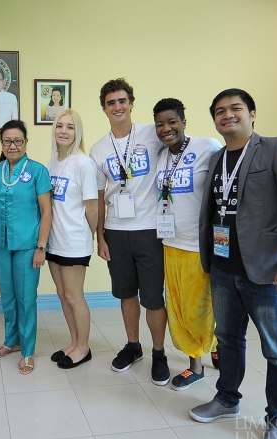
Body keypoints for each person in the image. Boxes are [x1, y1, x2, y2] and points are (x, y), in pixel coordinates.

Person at [189, 89, 277, 439]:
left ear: (252, 114)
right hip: (224, 268)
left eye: (235, 109)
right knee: (228, 340)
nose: (227, 115)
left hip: (267, 273)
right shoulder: (216, 158)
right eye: (219, 111)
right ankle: (227, 398)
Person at [90, 78, 170, 385]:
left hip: (149, 229)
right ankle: (133, 345)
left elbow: (180, 148)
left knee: (153, 297)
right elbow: (98, 198)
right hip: (116, 231)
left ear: (131, 103)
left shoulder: (152, 134)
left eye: (122, 101)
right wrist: (100, 237)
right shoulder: (98, 150)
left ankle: (159, 353)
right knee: (125, 294)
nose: (117, 107)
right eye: (111, 103)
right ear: (104, 108)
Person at [152, 99, 222, 390]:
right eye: (160, 124)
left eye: (172, 122)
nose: (166, 129)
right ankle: (214, 345)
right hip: (170, 242)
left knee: (197, 307)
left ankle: (196, 366)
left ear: (183, 121)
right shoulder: (161, 157)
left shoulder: (208, 147)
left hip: (198, 244)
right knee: (177, 305)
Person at [0, 120, 52, 374]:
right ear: (2, 143)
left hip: (28, 244)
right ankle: (11, 341)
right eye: (7, 141)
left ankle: (27, 350)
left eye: (17, 141)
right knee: (8, 296)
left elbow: (47, 211)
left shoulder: (38, 171)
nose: (12, 145)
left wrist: (41, 247)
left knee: (26, 299)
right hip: (0, 243)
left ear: (26, 142)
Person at [46, 109, 98, 369]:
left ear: (78, 132)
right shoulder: (53, 161)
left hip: (75, 241)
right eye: (59, 126)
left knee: (74, 295)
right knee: (62, 293)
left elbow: (92, 207)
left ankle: (83, 348)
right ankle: (74, 342)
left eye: (70, 127)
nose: (64, 131)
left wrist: (89, 236)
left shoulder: (83, 163)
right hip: (54, 239)